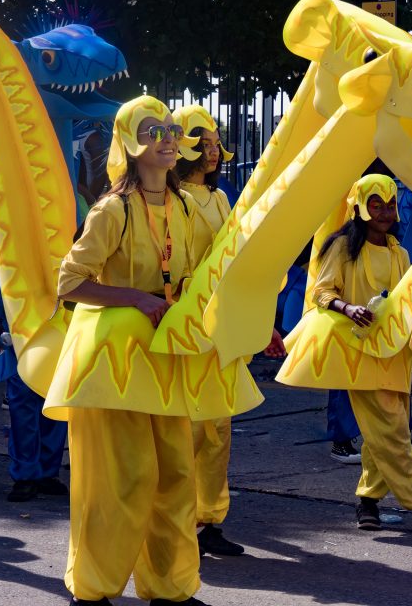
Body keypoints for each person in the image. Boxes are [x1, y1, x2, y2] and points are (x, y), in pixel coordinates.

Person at [55, 96, 207, 605]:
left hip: (167, 359)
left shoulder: (186, 206)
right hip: (116, 365)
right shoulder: (111, 209)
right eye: (153, 130)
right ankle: (93, 590)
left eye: (170, 129)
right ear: (130, 143)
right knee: (125, 477)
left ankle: (168, 588)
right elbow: (69, 283)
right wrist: (136, 298)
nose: (167, 138)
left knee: (176, 475)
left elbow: (201, 272)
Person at [277, 174, 412, 534]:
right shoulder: (342, 247)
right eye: (377, 205)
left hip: (395, 353)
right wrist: (349, 309)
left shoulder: (400, 252)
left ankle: (367, 503)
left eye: (390, 205)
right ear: (360, 207)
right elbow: (321, 292)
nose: (385, 213)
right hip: (358, 351)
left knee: (383, 432)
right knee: (393, 431)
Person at [174, 104, 282, 558]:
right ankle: (176, 521)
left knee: (217, 429)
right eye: (206, 144)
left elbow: (234, 261)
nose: (215, 152)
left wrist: (262, 321)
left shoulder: (219, 199)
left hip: (219, 330)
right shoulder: (170, 198)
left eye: (218, 144)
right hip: (183, 327)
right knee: (184, 429)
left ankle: (209, 519)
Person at [0, 266, 69, 501]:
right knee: (23, 400)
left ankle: (46, 473)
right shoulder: (16, 227)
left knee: (54, 396)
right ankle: (25, 475)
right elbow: (1, 267)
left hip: (61, 318)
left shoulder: (77, 226)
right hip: (21, 320)